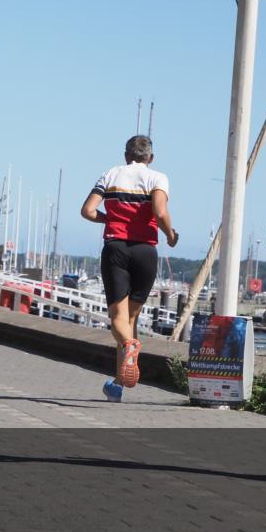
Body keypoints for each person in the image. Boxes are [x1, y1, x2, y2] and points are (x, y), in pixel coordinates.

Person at [80, 135, 178, 403]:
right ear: (151, 158)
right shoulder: (158, 177)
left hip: (116, 249)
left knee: (118, 321)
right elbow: (159, 212)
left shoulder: (110, 174)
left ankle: (129, 347)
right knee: (130, 320)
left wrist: (108, 219)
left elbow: (87, 211)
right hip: (146, 252)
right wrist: (169, 233)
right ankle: (118, 384)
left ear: (126, 155)